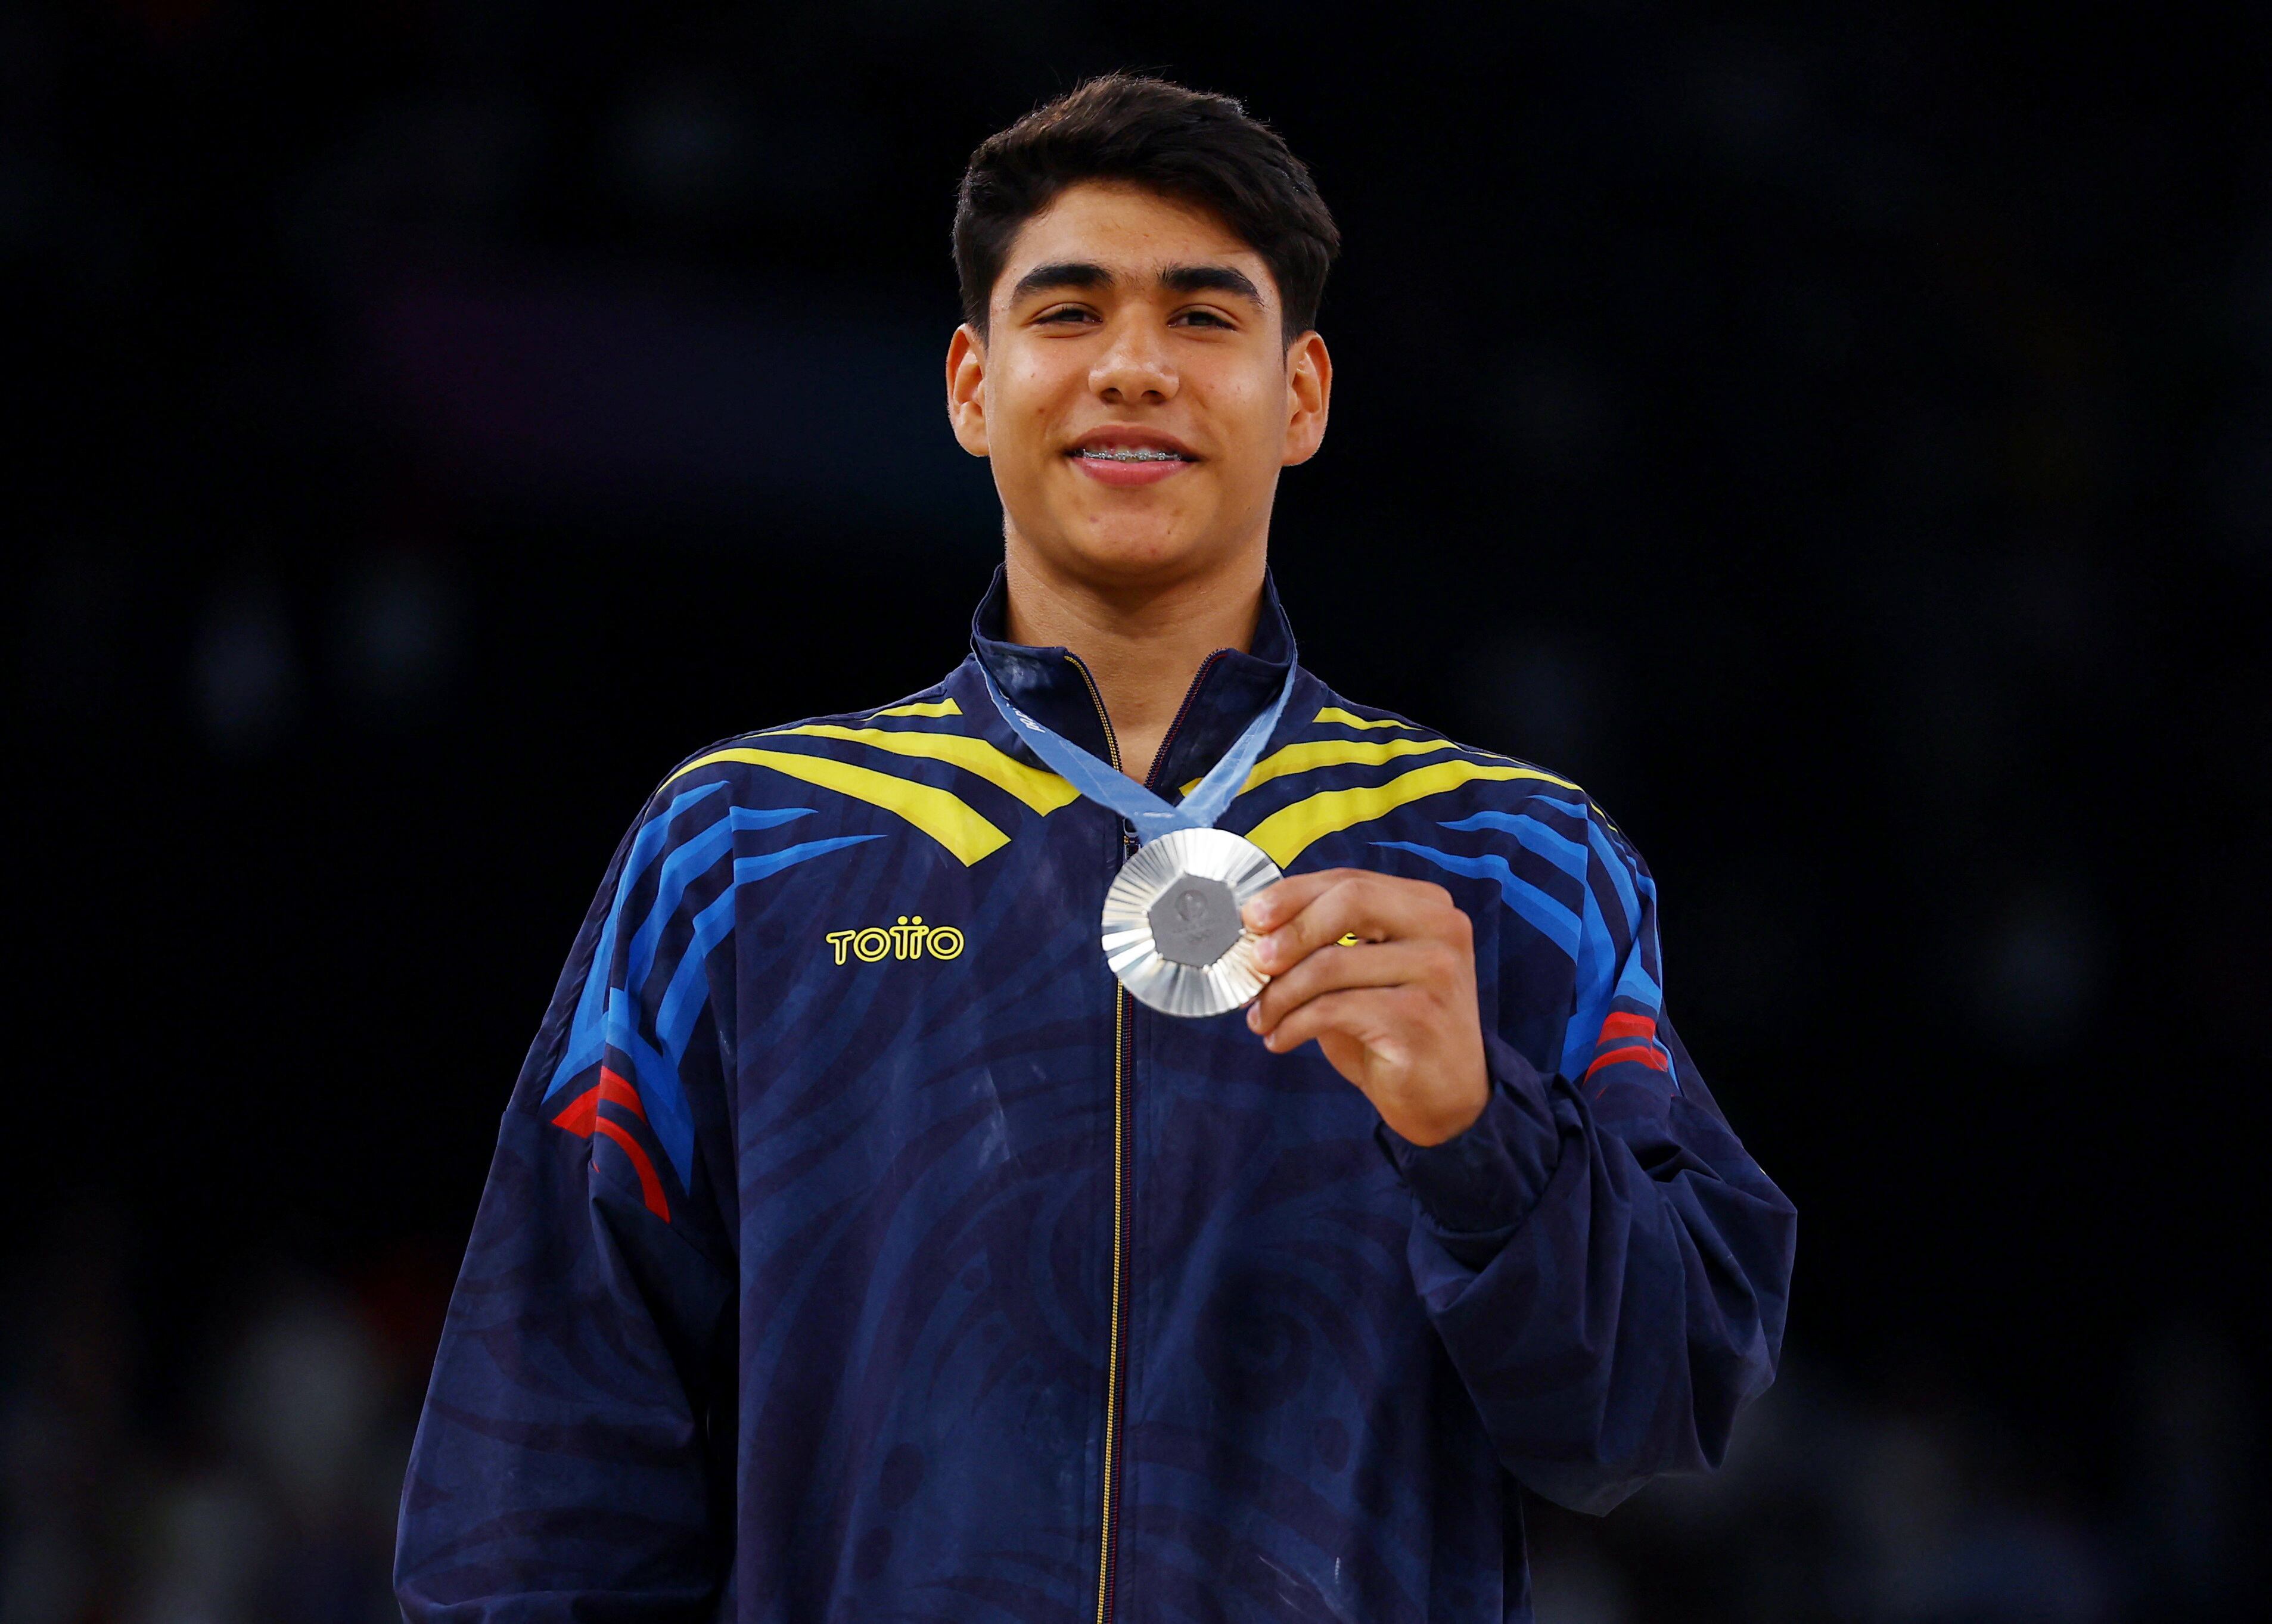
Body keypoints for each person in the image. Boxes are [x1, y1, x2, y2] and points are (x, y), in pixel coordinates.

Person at [394, 73, 1795, 1623]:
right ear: (972, 386)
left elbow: (1659, 1410)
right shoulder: (742, 852)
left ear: (1305, 395)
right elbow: (541, 1463)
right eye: (1069, 314)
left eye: (1205, 320)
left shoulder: (1513, 860)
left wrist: (1485, 1137)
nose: (1135, 369)